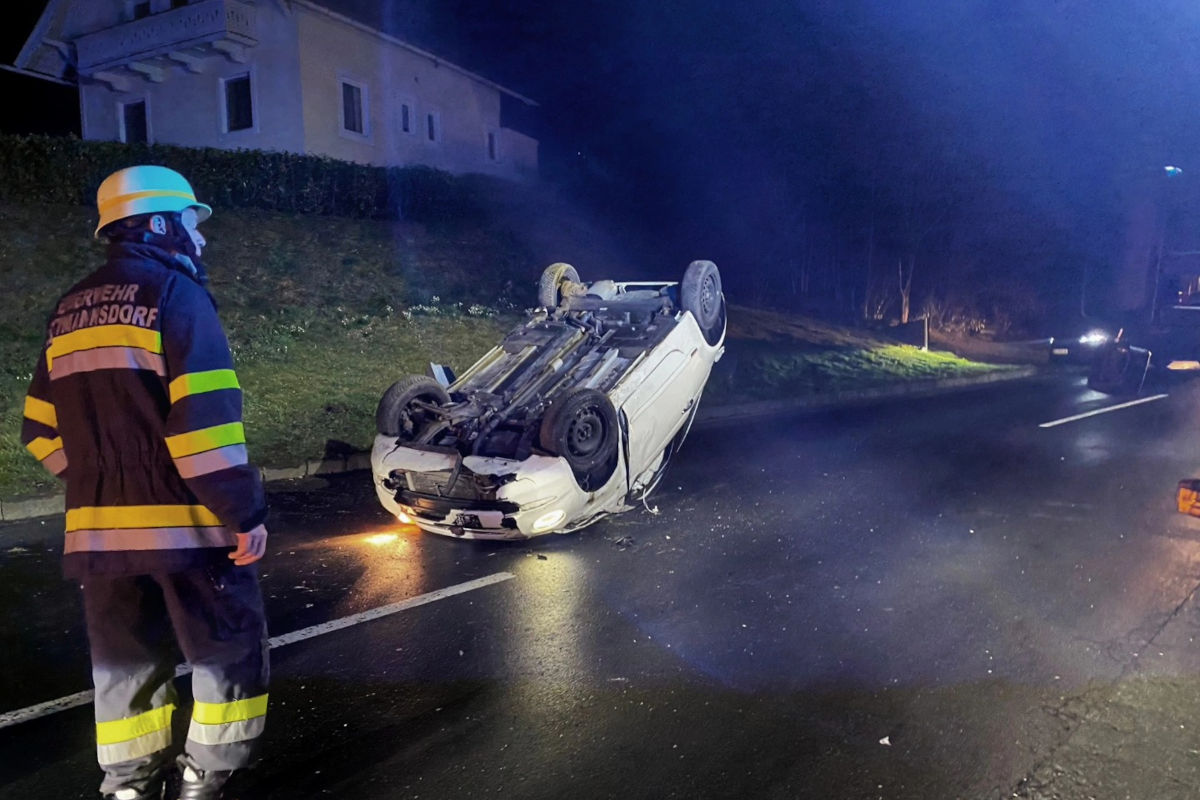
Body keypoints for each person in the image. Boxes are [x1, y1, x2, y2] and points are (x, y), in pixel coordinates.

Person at [20, 165, 270, 800]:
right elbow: (203, 426)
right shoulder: (175, 295)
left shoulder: (70, 308)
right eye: (191, 222)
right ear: (160, 223)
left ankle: (128, 785)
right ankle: (205, 778)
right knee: (223, 648)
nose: (201, 237)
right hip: (187, 527)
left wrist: (101, 482)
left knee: (124, 664)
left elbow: (39, 430)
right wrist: (243, 513)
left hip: (100, 535)